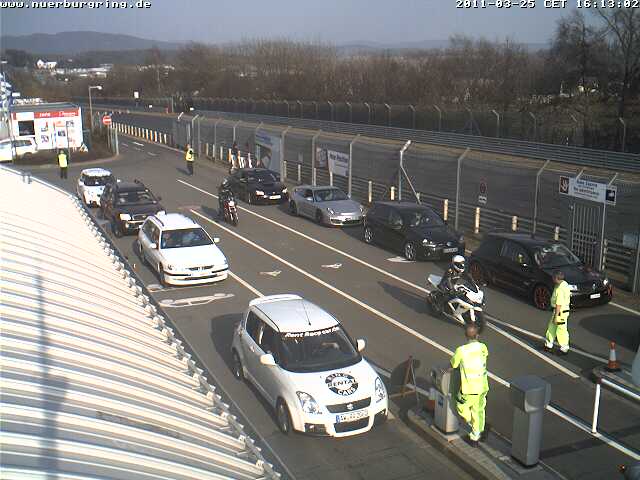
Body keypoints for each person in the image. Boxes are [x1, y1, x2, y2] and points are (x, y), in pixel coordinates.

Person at [450, 323, 489, 446]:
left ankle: (473, 425)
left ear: (466, 336)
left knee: (461, 407)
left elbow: (453, 364)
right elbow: (484, 355)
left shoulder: (461, 351)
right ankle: (477, 433)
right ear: (477, 335)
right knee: (479, 410)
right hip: (483, 385)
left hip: (469, 388)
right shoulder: (483, 347)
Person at [544, 271, 571, 355]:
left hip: (560, 312)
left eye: (553, 278)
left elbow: (558, 304)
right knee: (552, 327)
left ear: (556, 278)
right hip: (562, 311)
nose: (552, 279)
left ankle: (564, 348)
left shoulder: (559, 289)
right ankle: (548, 344)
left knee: (561, 330)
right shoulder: (564, 284)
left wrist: (556, 317)